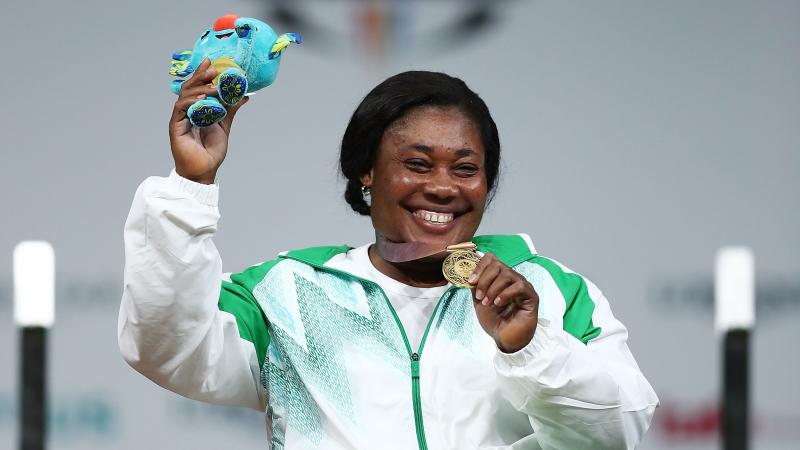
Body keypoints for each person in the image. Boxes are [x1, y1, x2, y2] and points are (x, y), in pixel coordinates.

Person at [118, 58, 659, 449]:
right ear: (367, 173)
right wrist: (190, 184)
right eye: (418, 164)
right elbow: (167, 347)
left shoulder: (546, 289)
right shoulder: (289, 293)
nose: (444, 187)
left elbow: (620, 430)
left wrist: (530, 348)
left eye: (465, 169)